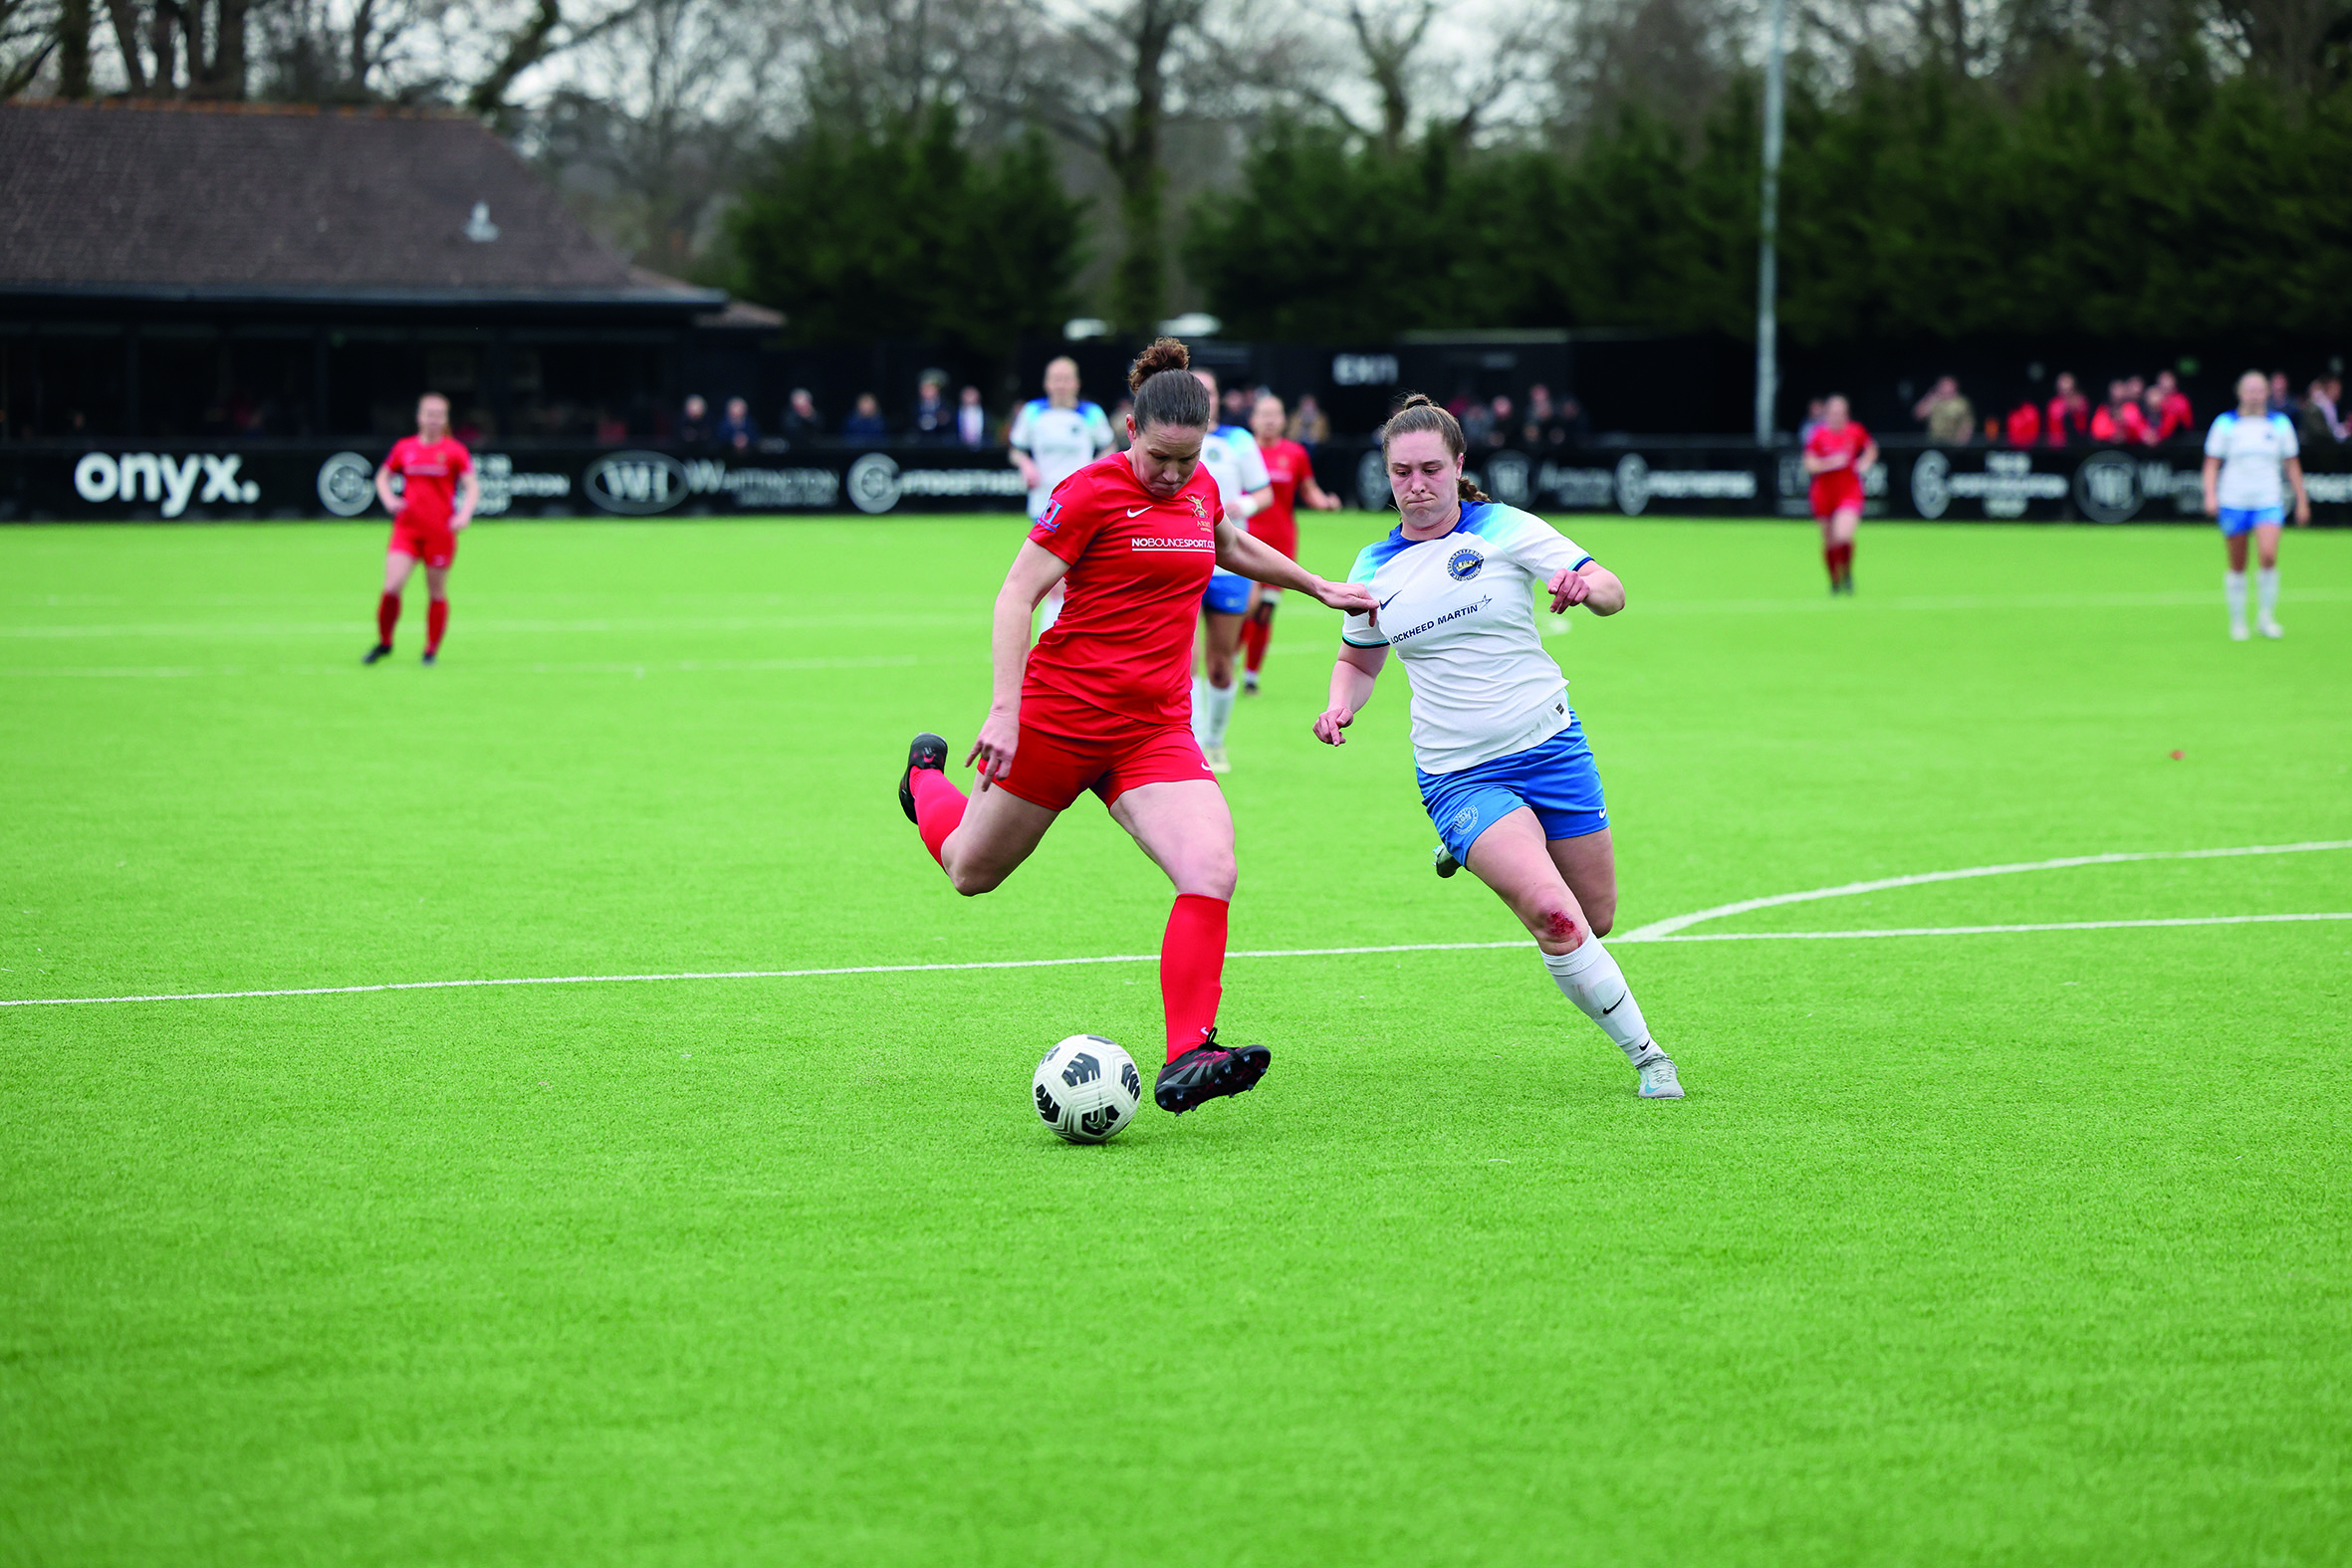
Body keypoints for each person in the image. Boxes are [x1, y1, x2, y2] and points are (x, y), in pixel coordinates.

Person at [895, 338, 1379, 1115]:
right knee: (968, 869)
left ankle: (1190, 1049)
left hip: (1153, 730)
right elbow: (1014, 595)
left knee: (1211, 868)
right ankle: (924, 781)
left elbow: (1227, 541)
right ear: (1130, 430)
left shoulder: (1200, 487)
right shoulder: (1087, 492)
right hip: (1057, 717)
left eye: (1187, 461)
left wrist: (1316, 585)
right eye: (1160, 458)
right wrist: (1004, 711)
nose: (1174, 475)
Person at [1311, 394, 1683, 1101]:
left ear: (1458, 466)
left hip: (1550, 745)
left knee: (1595, 915)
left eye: (1428, 469)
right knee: (1555, 916)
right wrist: (1338, 704)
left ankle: (1479, 842)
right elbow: (1359, 660)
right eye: (1400, 472)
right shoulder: (1374, 565)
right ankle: (1649, 1056)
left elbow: (1612, 591)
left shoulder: (1505, 528)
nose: (1415, 485)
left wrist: (1584, 585)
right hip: (1457, 771)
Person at [1188, 367, 1274, 773]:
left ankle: (1215, 740)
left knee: (1220, 664)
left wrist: (1246, 506)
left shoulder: (1238, 441)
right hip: (1182, 560)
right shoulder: (1176, 437)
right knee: (1182, 660)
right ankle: (1189, 747)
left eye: (1210, 392)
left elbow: (1264, 491)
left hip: (1229, 564)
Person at [1240, 392, 1342, 696]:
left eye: (1275, 414)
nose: (1270, 420)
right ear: (1253, 419)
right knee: (1246, 607)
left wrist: (1325, 503)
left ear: (1284, 419)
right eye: (1264, 414)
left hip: (1281, 540)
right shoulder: (1242, 451)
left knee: (1265, 611)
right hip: (1244, 540)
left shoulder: (1295, 453)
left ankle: (1250, 675)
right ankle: (1229, 657)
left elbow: (1309, 490)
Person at [364, 391, 478, 667]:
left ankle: (430, 651)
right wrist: (390, 499)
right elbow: (382, 476)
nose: (434, 420)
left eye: (439, 415)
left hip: (439, 531)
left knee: (436, 592)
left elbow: (471, 485)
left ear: (446, 419)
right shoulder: (405, 448)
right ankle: (385, 642)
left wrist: (464, 514)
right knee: (392, 586)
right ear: (419, 417)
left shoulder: (454, 451)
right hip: (407, 529)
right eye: (429, 414)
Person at [1008, 356, 1117, 635]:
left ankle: (1069, 631)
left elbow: (1108, 448)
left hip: (1083, 502)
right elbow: (1016, 449)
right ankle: (1052, 635)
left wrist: (1094, 472)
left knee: (1080, 573)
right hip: (1045, 503)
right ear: (1046, 383)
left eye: (1066, 378)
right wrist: (1027, 465)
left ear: (1076, 383)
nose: (1061, 384)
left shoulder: (1090, 414)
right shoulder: (1033, 412)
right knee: (1055, 575)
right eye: (1056, 378)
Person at [2204, 369, 2310, 641]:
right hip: (2233, 500)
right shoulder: (2225, 424)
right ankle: (2238, 621)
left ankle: (2266, 617)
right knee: (2238, 563)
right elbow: (2212, 463)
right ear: (2239, 392)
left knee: (2268, 555)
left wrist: (2301, 500)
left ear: (2267, 393)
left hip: (2268, 498)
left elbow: (2292, 464)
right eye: (2248, 389)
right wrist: (2210, 495)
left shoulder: (2280, 424)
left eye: (2258, 389)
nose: (2253, 395)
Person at [1803, 393, 1875, 594]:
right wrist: (1830, 463)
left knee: (1843, 535)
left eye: (1840, 412)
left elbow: (1870, 448)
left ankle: (1848, 573)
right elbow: (1809, 464)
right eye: (1832, 412)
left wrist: (1865, 462)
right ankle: (1834, 581)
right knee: (1829, 540)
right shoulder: (1818, 434)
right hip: (1824, 493)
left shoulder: (1855, 431)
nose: (1836, 416)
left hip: (1849, 491)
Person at [1915, 376, 1974, 445]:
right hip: (1935, 443)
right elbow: (1918, 415)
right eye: (1942, 385)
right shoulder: (1934, 400)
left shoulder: (1961, 403)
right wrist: (1929, 398)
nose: (1945, 388)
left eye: (1948, 386)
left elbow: (1968, 424)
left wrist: (1962, 440)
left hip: (1954, 443)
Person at [2090, 378, 2149, 444]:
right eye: (2116, 391)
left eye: (2121, 391)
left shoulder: (2132, 408)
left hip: (2130, 447)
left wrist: (2126, 427)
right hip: (2108, 447)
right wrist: (2113, 433)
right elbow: (2097, 432)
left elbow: (2140, 429)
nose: (2119, 395)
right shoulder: (2103, 409)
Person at [2045, 372, 2092, 447]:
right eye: (2063, 390)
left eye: (2070, 390)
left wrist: (2076, 412)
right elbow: (2054, 432)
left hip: (2080, 445)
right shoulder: (2053, 405)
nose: (2066, 394)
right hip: (2059, 447)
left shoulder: (2082, 403)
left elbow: (2082, 428)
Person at [2149, 370, 2195, 443]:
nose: (2165, 385)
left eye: (2168, 381)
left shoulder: (2180, 401)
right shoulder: (2154, 397)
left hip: (2177, 442)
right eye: (2162, 382)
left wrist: (2158, 437)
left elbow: (2188, 424)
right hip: (2155, 441)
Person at [2299, 375, 2346, 444]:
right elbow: (2320, 432)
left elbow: (2332, 427)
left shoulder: (2330, 406)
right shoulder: (2315, 408)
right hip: (2316, 445)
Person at [911, 376, 950, 443]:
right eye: (925, 389)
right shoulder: (915, 407)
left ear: (937, 391)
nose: (928, 392)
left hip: (940, 442)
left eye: (931, 389)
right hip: (920, 442)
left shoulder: (946, 406)